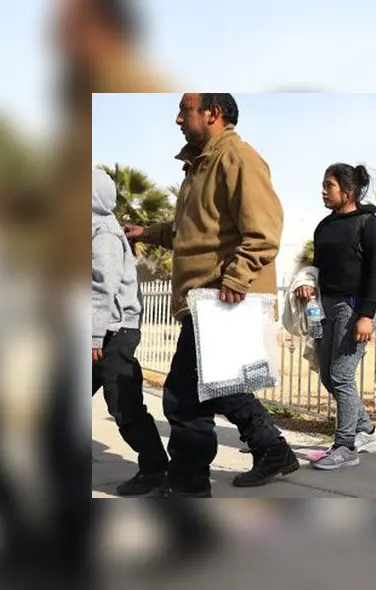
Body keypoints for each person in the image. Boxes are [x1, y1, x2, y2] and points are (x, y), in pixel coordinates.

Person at [125, 93, 298, 496]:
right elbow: (192, 230)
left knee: (185, 399)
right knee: (223, 385)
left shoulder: (237, 158)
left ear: (213, 114)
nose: (178, 119)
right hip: (206, 299)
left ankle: (188, 488)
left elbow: (264, 232)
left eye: (185, 111)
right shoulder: (200, 167)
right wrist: (147, 232)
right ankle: (272, 449)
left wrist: (234, 281)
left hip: (221, 299)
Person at [293, 163, 376, 470]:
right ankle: (368, 430)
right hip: (324, 308)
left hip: (354, 309)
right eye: (323, 184)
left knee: (342, 376)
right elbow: (318, 269)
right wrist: (307, 287)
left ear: (348, 190)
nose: (323, 190)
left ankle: (346, 447)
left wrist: (365, 316)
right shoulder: (324, 226)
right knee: (326, 374)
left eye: (328, 185)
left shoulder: (369, 223)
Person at [91, 168, 168, 495]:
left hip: (114, 331)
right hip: (101, 329)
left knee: (124, 402)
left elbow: (102, 288)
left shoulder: (103, 233)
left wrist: (93, 336)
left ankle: (155, 469)